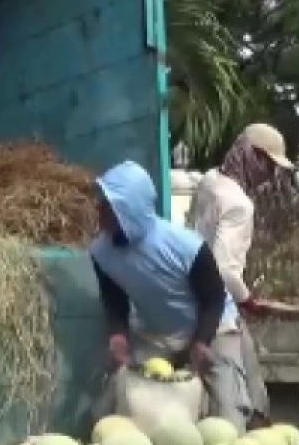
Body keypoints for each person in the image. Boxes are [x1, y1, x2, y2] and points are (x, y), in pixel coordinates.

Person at [90, 160, 252, 429]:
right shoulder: (100, 253)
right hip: (160, 332)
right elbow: (114, 298)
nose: (99, 211)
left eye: (108, 205)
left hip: (213, 326)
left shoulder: (186, 246)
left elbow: (214, 297)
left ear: (128, 209)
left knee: (229, 418)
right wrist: (118, 334)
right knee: (120, 406)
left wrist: (201, 342)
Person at [188, 123, 298, 424]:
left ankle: (256, 428)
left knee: (249, 376)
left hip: (193, 292)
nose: (271, 175)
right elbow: (223, 269)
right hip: (219, 304)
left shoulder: (209, 181)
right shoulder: (239, 204)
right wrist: (250, 301)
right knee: (237, 395)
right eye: (269, 165)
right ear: (254, 157)